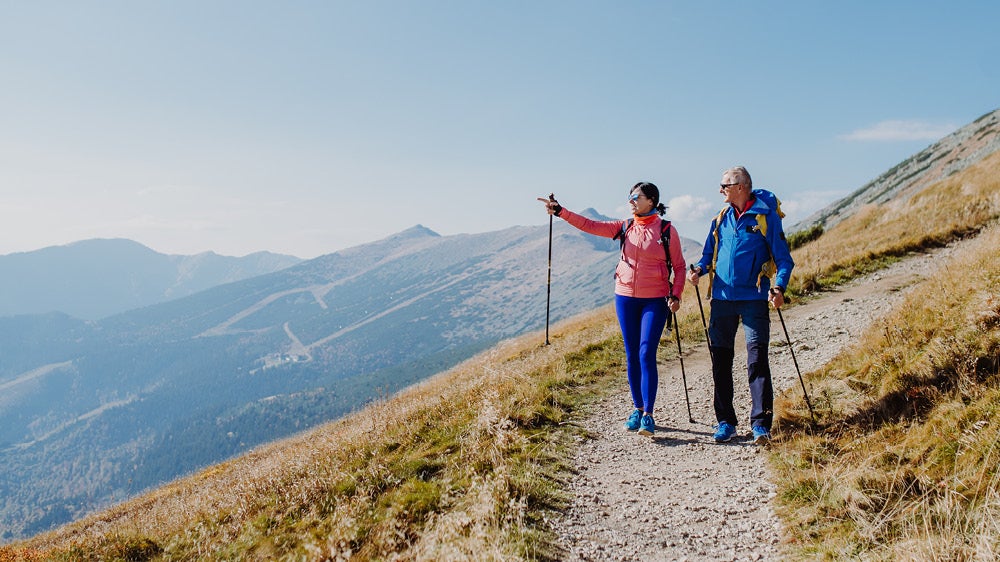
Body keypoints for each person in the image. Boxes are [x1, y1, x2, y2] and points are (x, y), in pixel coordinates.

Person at [538, 182, 686, 437]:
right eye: (629, 196)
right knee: (631, 354)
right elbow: (590, 226)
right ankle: (637, 409)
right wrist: (561, 211)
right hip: (625, 297)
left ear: (651, 200)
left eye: (635, 197)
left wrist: (676, 295)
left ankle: (649, 414)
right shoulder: (625, 227)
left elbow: (681, 267)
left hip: (655, 298)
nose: (631, 200)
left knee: (645, 353)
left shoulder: (666, 230)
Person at [686, 166, 794, 445]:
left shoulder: (765, 217)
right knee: (720, 361)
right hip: (721, 300)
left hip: (754, 298)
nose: (720, 190)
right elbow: (709, 256)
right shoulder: (720, 218)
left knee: (757, 360)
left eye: (724, 185)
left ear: (740, 186)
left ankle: (761, 425)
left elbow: (784, 259)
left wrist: (779, 287)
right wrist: (698, 269)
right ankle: (725, 422)